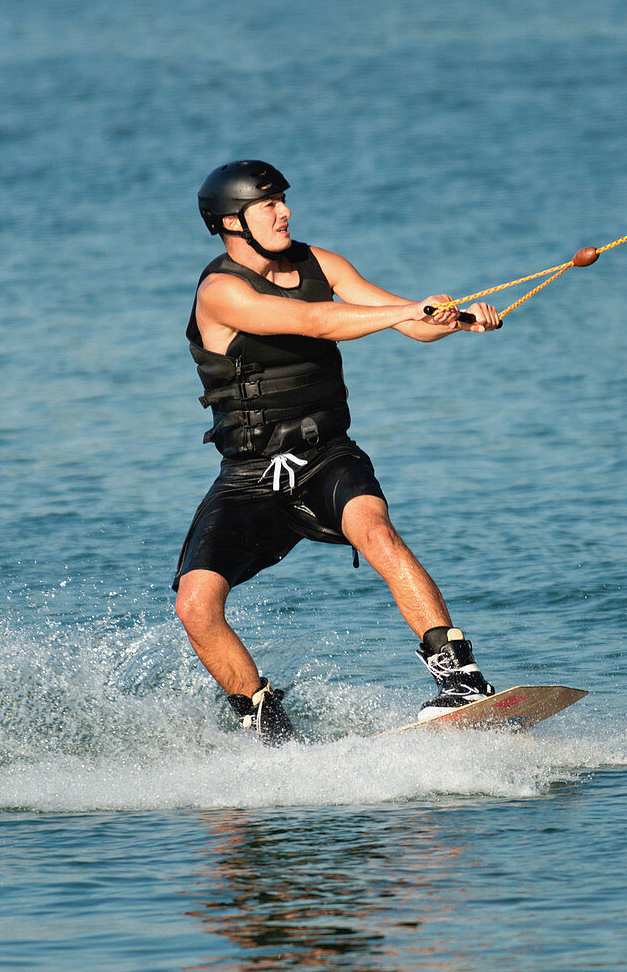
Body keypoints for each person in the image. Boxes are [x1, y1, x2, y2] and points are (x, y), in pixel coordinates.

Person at [173, 160, 502, 744]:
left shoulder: (322, 263)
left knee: (374, 529)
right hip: (250, 472)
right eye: (268, 205)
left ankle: (462, 681)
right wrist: (408, 310)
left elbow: (413, 326)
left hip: (326, 453)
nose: (285, 213)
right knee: (196, 605)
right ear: (230, 222)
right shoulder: (220, 291)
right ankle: (267, 728)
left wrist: (455, 321)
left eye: (284, 202)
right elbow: (315, 322)